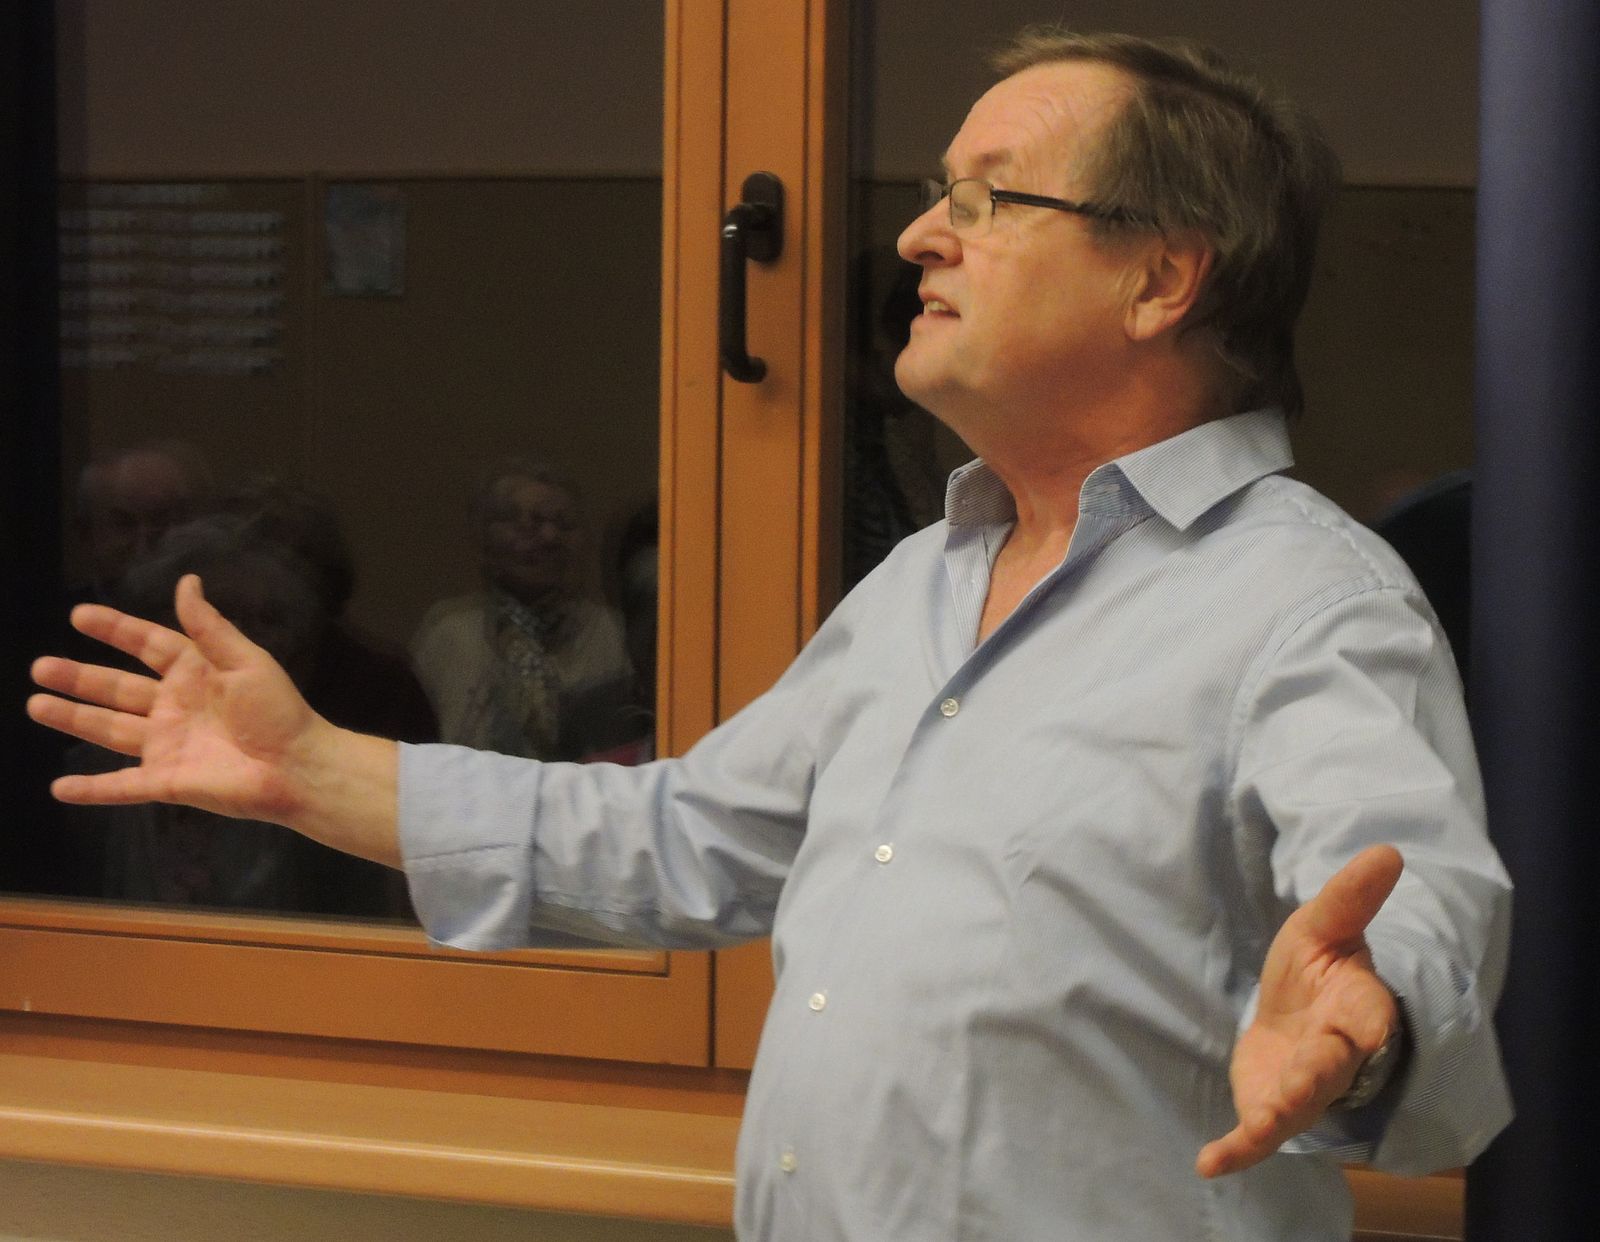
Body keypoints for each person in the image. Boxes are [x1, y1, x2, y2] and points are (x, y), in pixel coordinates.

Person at [26, 28, 1509, 1241]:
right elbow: (682, 840)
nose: (919, 234)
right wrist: (313, 770)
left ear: (1162, 277)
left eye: (990, 197)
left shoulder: (1305, 600)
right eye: (937, 191)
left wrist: (1363, 1024)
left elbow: (1405, 903)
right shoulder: (923, 581)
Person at [409, 458, 635, 761]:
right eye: (528, 523)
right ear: (484, 535)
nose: (550, 538)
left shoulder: (614, 635)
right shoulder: (449, 634)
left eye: (565, 524)